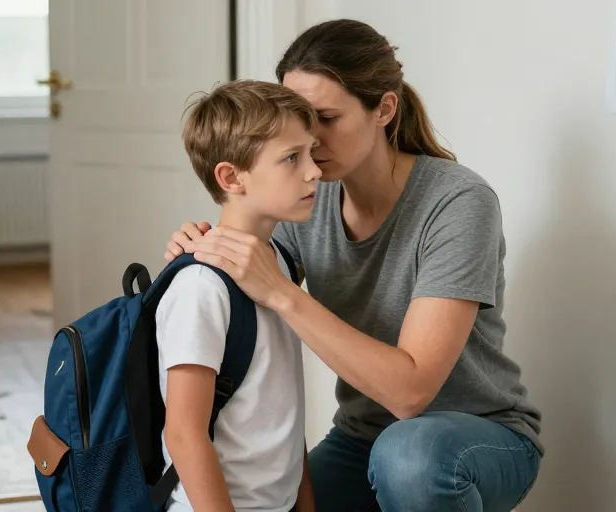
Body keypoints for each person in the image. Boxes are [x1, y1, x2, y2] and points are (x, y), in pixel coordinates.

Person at [165, 19, 543, 512]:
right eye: (301, 118)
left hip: (474, 438)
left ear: (384, 108)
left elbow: (410, 395)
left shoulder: (458, 202)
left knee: (408, 457)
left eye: (326, 117)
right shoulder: (306, 198)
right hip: (361, 438)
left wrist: (281, 290)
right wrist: (206, 250)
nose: (310, 139)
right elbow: (250, 262)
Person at [156, 79, 321, 512]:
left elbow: (282, 410)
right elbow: (183, 433)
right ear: (231, 177)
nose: (314, 170)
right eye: (291, 158)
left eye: (311, 151)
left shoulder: (278, 265)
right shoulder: (202, 288)